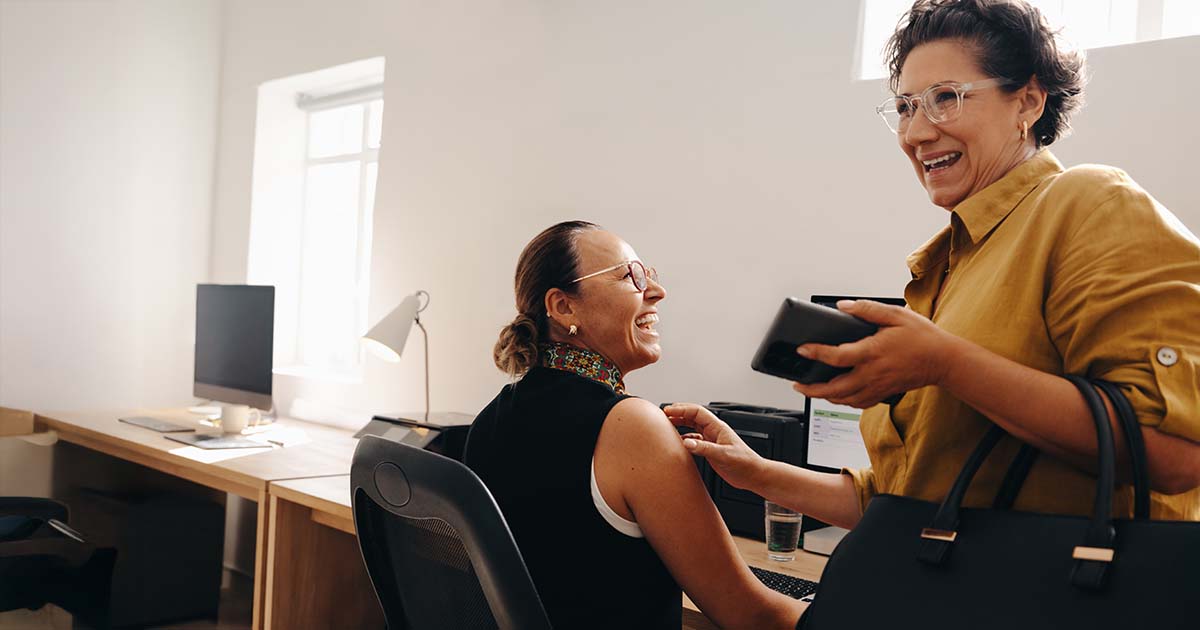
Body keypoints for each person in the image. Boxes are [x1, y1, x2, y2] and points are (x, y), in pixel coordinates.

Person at [667, 0, 1200, 535]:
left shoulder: (1091, 203)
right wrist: (754, 472)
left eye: (945, 98)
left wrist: (946, 365)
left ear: (1028, 102)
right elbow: (904, 502)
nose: (915, 134)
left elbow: (1176, 453)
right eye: (905, 107)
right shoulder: (945, 265)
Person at [464, 221, 807, 629]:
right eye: (631, 276)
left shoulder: (489, 420)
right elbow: (751, 615)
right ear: (563, 307)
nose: (657, 291)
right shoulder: (631, 425)